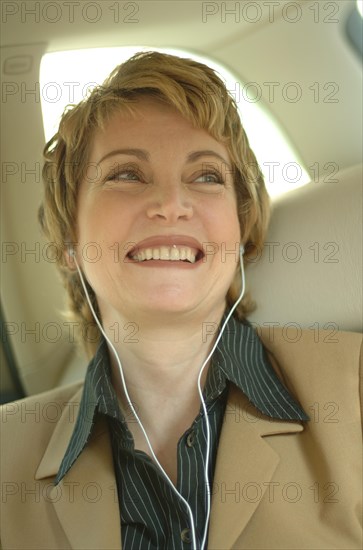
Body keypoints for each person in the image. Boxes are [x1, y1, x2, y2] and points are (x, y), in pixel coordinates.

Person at [0, 51, 361, 550]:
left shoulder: (355, 393)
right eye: (127, 174)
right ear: (68, 241)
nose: (170, 204)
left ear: (242, 231)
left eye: (207, 176)